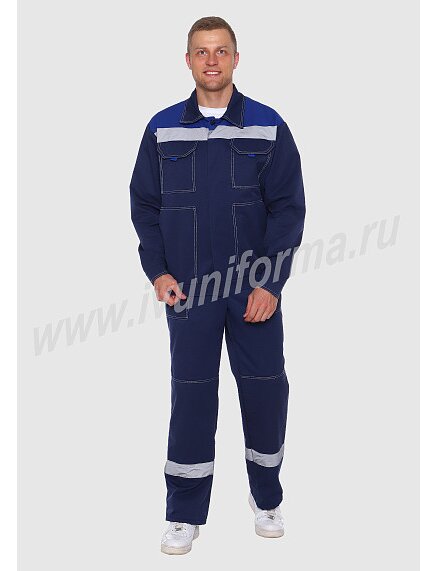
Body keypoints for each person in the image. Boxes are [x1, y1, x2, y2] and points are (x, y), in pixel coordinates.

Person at [129, 16, 306, 555]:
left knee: (265, 390)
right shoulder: (162, 129)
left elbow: (288, 209)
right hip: (188, 292)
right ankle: (184, 513)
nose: (211, 61)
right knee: (191, 397)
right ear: (188, 61)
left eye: (221, 51)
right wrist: (158, 272)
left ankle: (267, 498)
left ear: (235, 58)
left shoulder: (267, 125)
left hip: (253, 290)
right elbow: (145, 206)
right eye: (202, 52)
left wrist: (271, 283)